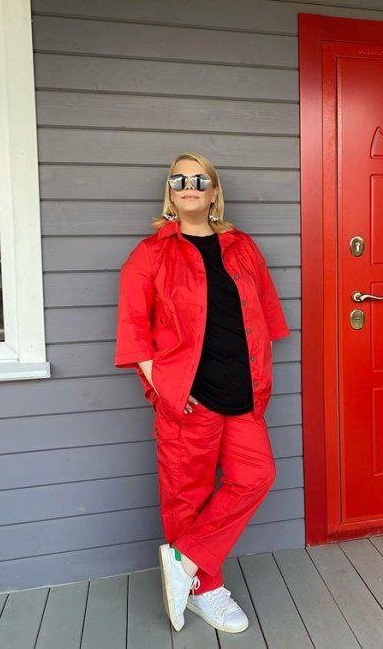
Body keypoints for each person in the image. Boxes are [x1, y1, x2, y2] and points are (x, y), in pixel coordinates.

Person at [114, 152, 290, 634]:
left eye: (199, 179)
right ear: (170, 193)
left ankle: (185, 559)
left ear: (213, 192)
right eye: (179, 179)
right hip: (188, 400)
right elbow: (133, 330)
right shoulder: (150, 254)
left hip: (244, 393)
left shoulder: (242, 247)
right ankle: (205, 589)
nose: (189, 186)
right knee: (186, 497)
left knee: (256, 476)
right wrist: (165, 386)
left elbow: (265, 317)